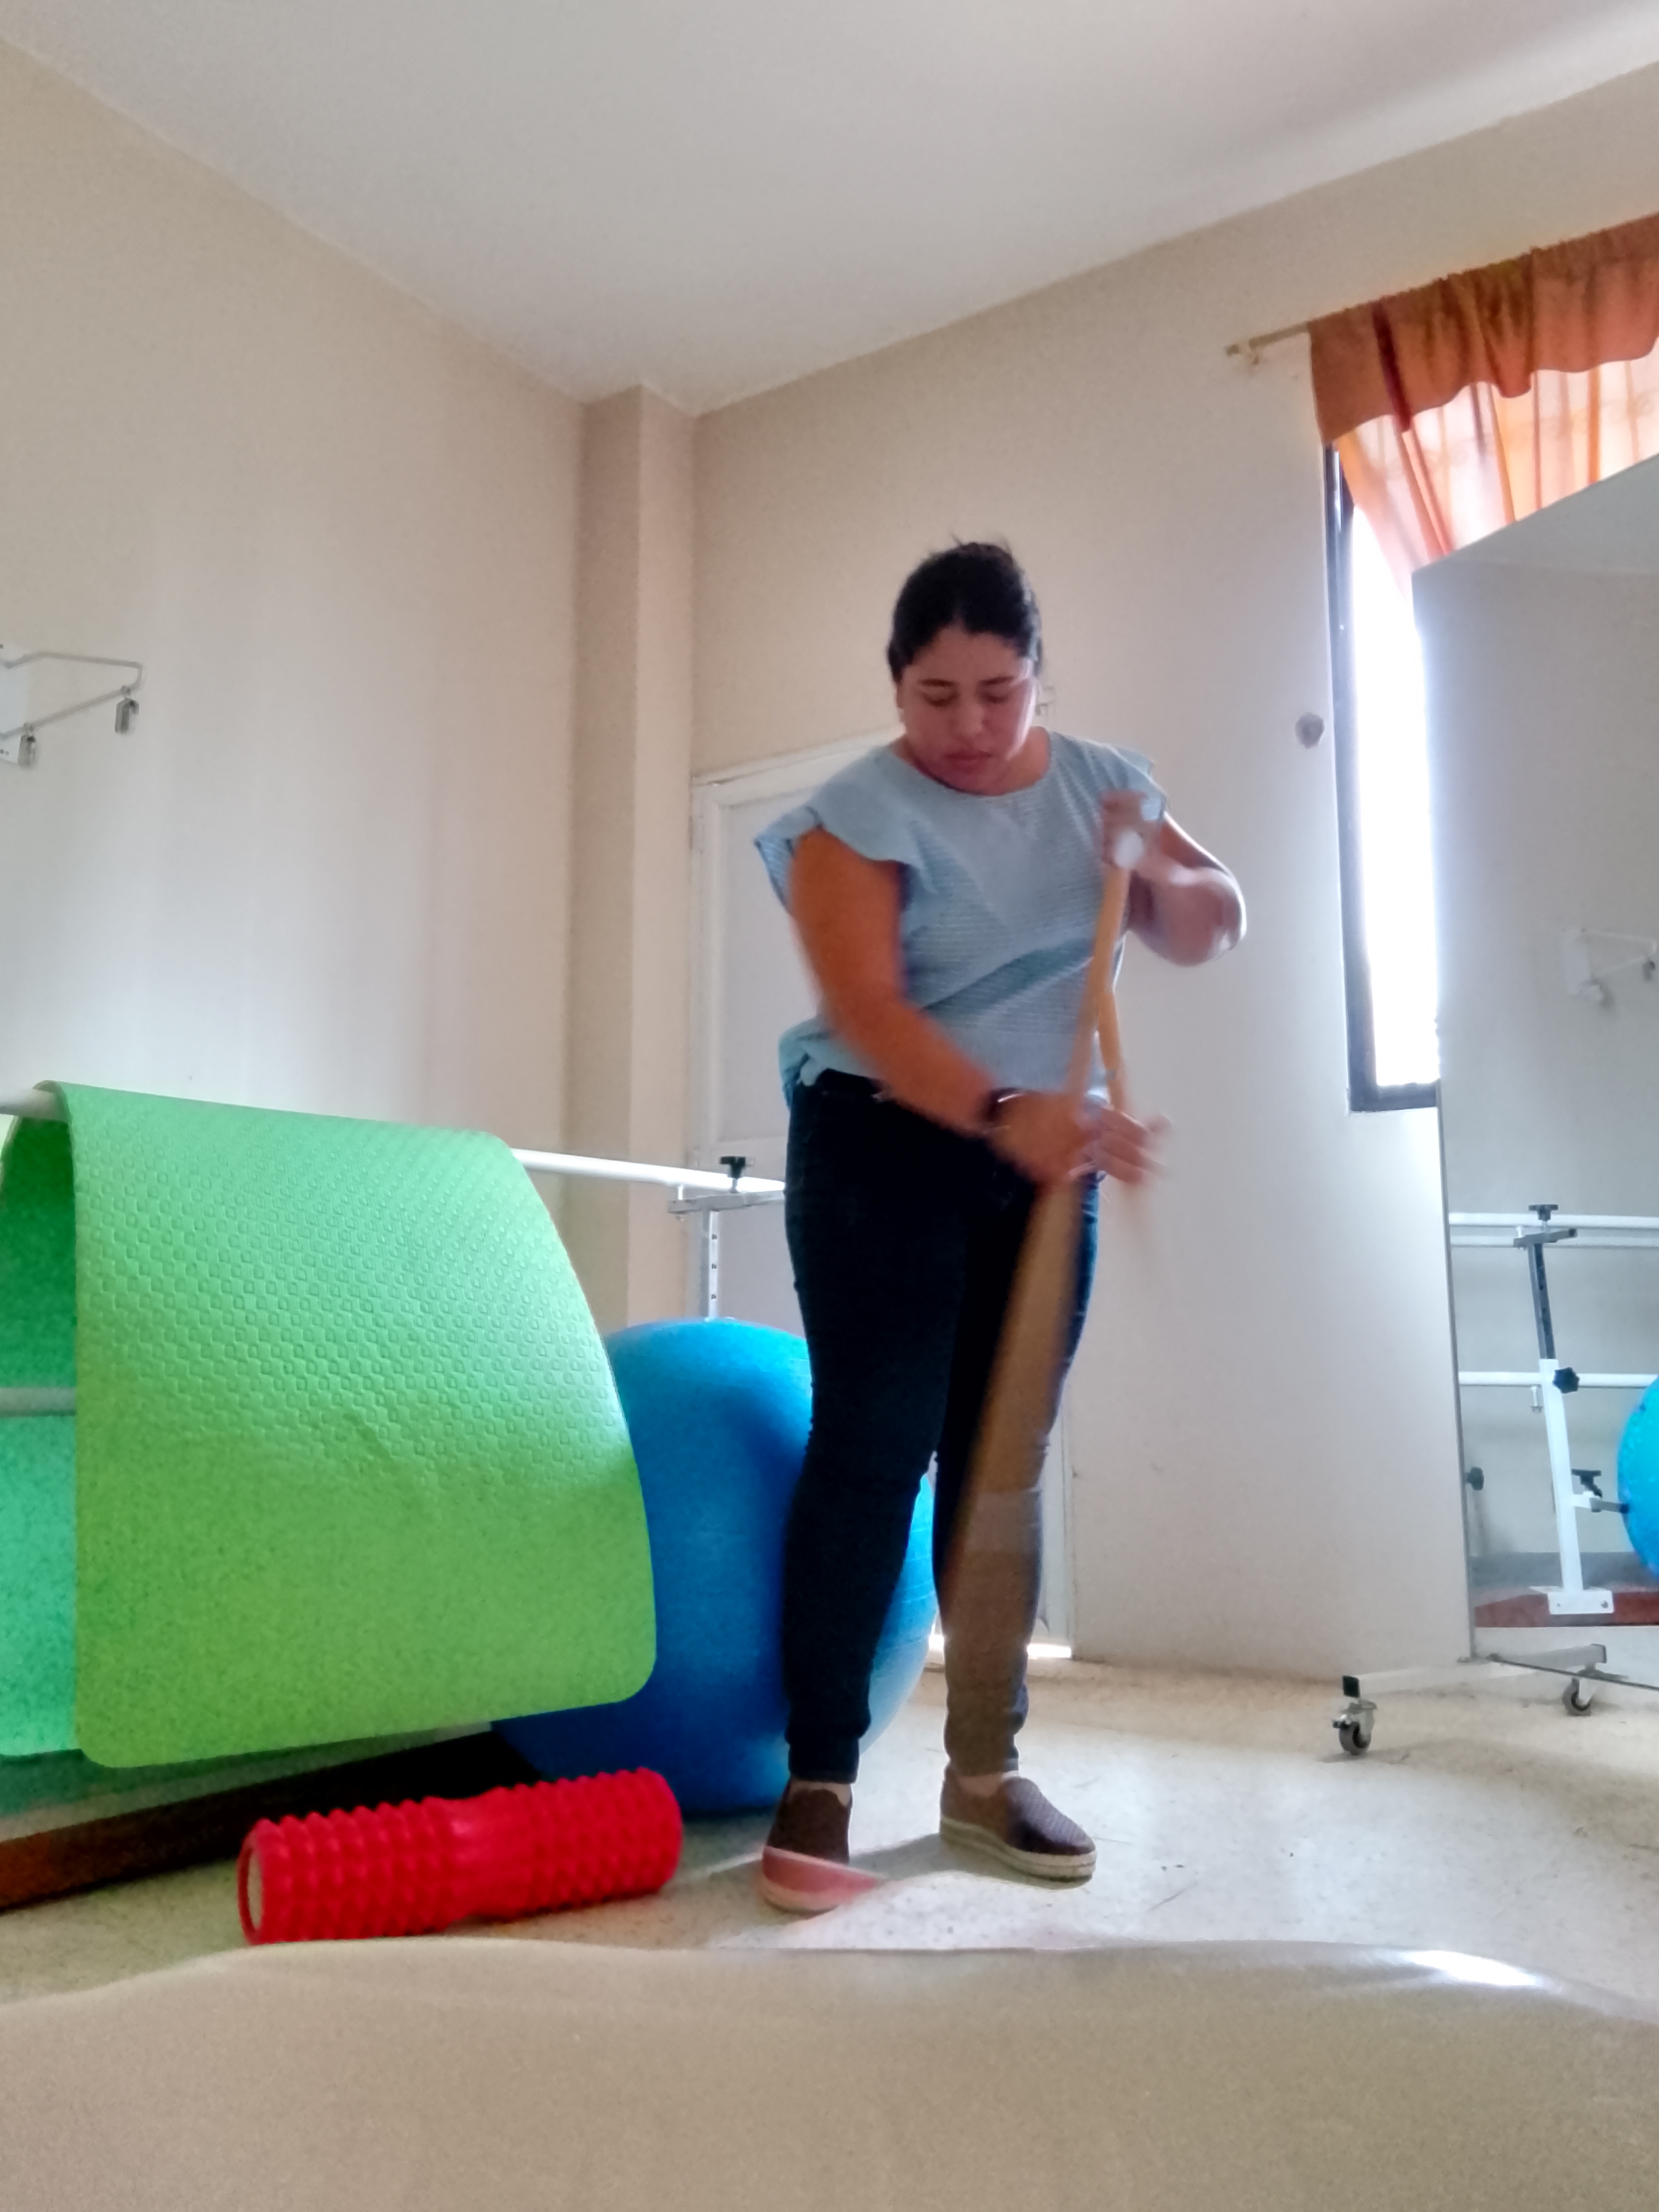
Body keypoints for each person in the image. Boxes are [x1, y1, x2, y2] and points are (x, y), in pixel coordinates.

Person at [752, 542, 1242, 1912]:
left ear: (1039, 678)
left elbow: (1215, 922)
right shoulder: (855, 815)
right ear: (895, 686)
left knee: (1001, 1471)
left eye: (999, 692)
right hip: (881, 1137)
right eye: (936, 696)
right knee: (875, 1446)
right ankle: (820, 1775)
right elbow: (870, 1012)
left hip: (1041, 1159)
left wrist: (1157, 874)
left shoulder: (1104, 784)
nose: (969, 726)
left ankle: (982, 1775)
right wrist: (1002, 1109)